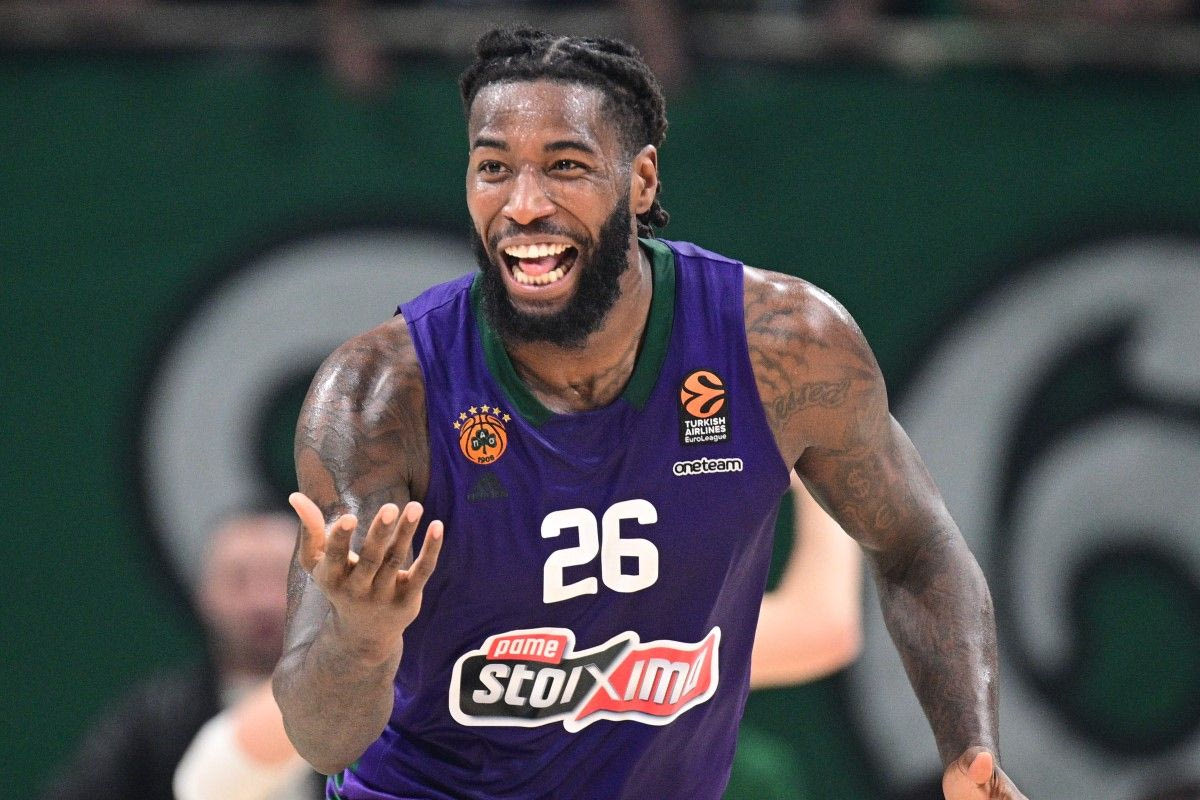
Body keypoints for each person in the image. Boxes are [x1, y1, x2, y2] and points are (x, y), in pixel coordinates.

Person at [273, 27, 1025, 800]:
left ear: (640, 181)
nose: (523, 204)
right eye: (493, 168)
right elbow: (319, 737)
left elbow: (917, 546)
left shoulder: (782, 347)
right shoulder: (379, 396)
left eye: (565, 167)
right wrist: (361, 639)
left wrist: (969, 749)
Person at [176, 472, 860, 800]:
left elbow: (822, 631)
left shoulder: (648, 635)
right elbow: (215, 773)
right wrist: (819, 468)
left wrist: (818, 465)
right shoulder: (412, 638)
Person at [38, 510, 320, 800]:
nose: (262, 602)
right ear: (203, 594)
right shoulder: (156, 717)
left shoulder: (350, 707)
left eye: (281, 578)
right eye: (239, 580)